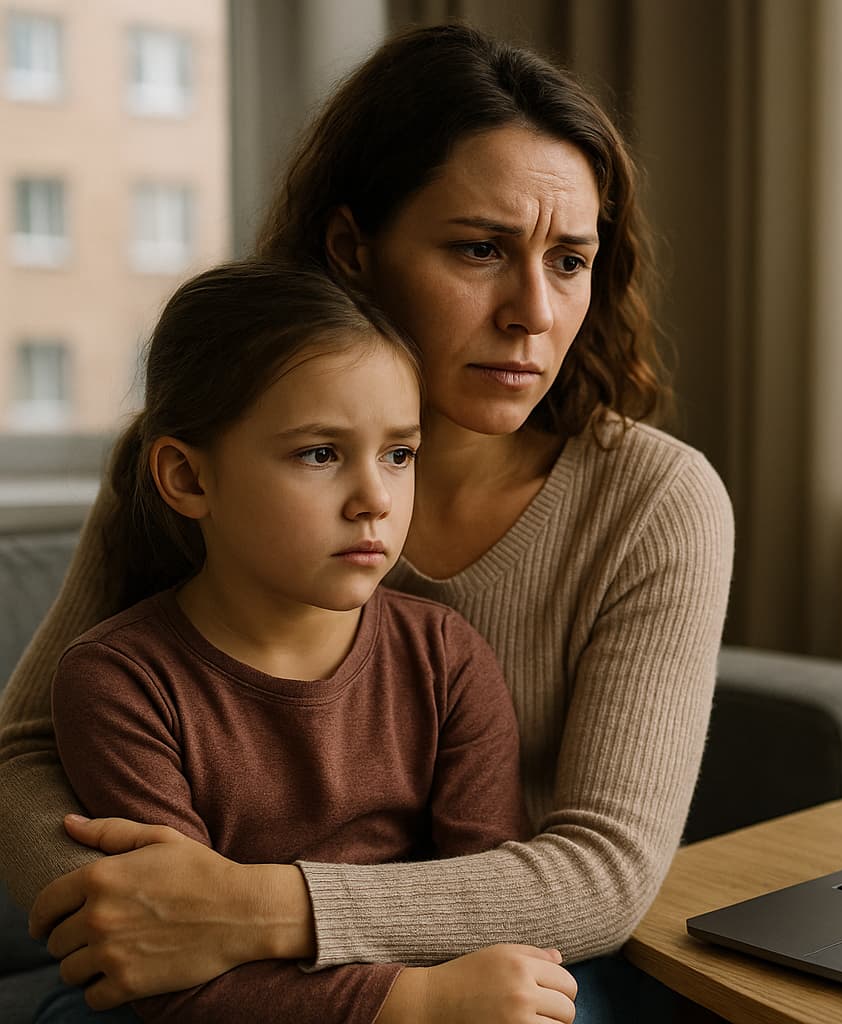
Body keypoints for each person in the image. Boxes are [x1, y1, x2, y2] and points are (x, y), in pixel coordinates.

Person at [0, 23, 732, 1022]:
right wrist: (140, 916)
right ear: (353, 250)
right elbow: (26, 748)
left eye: (570, 260)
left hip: (491, 964)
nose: (532, 311)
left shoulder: (654, 501)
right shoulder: (200, 455)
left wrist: (249, 910)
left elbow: (603, 872)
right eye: (480, 249)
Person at [47, 260, 578, 1023]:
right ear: (188, 479)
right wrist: (416, 1001)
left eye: (399, 454)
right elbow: (157, 954)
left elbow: (486, 902)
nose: (374, 499)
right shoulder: (120, 684)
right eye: (320, 454)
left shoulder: (446, 656)